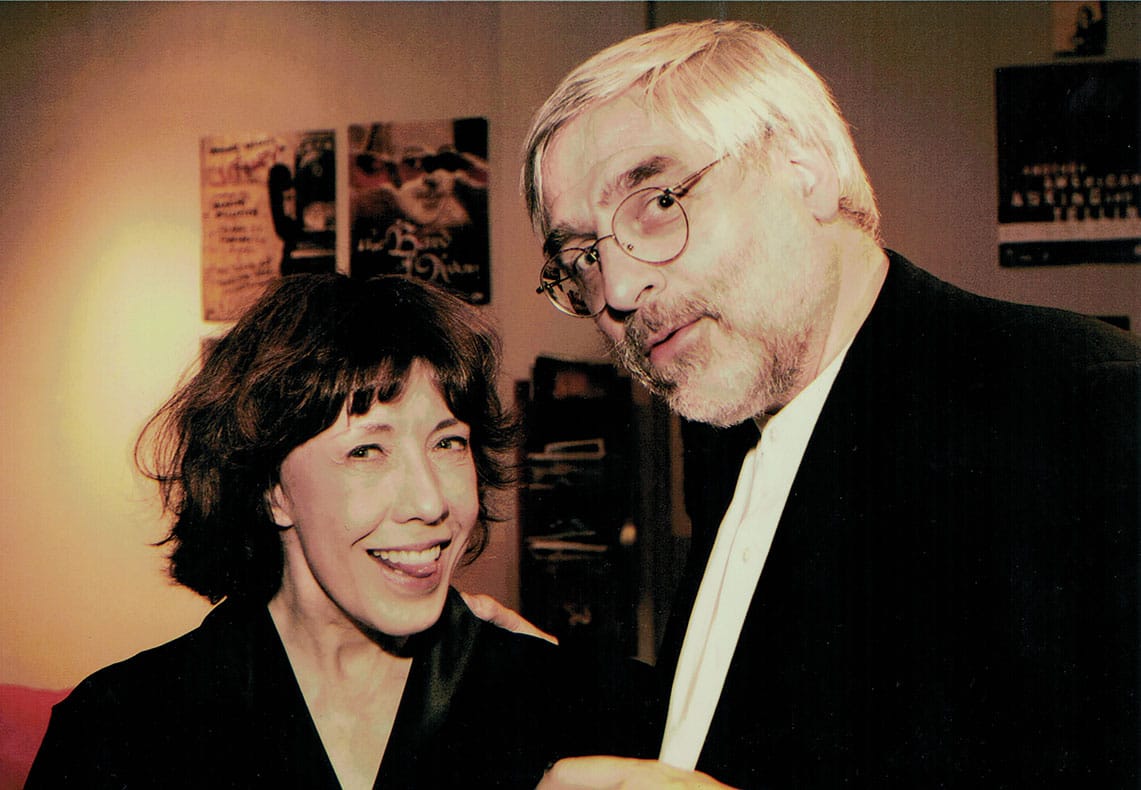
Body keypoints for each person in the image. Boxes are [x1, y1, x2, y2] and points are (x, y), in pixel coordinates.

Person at [523, 20, 1140, 789]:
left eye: (655, 201)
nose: (616, 290)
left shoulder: (1079, 408)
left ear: (804, 167)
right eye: (581, 256)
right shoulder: (732, 432)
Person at [25, 274, 597, 789]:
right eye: (367, 450)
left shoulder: (574, 709)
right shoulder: (121, 730)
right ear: (272, 489)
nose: (430, 501)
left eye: (448, 443)